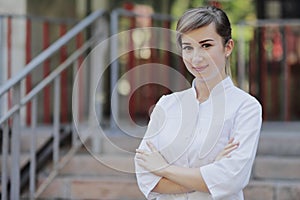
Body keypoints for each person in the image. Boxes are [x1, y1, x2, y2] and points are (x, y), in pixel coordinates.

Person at [135, 5, 262, 200]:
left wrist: (163, 168)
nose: (196, 58)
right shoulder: (167, 105)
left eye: (206, 45)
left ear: (228, 47)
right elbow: (145, 176)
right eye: (188, 47)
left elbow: (230, 180)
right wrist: (207, 175)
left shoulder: (246, 108)